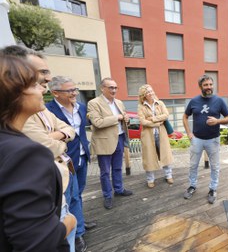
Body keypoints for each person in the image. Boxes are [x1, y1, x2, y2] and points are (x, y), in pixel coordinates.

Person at [0, 45, 82, 252]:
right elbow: (38, 243)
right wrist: (68, 224)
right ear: (14, 90)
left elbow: (68, 129)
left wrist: (56, 137)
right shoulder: (25, 154)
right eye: (33, 82)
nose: (43, 87)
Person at [47, 77, 97, 234]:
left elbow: (81, 132)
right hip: (65, 160)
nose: (74, 93)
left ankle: (78, 219)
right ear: (55, 93)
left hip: (82, 156)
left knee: (79, 192)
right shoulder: (48, 111)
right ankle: (77, 232)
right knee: (69, 197)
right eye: (69, 90)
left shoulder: (81, 107)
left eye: (75, 89)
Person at [182, 74, 228, 204]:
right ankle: (192, 186)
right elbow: (185, 117)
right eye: (206, 85)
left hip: (213, 140)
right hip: (196, 139)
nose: (209, 87)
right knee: (193, 165)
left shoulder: (219, 101)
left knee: (215, 166)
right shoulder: (194, 101)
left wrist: (218, 121)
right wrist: (189, 133)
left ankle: (213, 189)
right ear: (200, 87)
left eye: (210, 84)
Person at [87, 77, 133, 210]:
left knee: (118, 168)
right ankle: (107, 195)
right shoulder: (94, 103)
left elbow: (123, 120)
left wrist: (126, 119)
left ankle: (119, 189)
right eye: (110, 87)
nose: (114, 90)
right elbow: (97, 122)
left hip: (119, 138)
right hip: (104, 141)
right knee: (105, 172)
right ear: (102, 88)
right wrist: (117, 117)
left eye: (115, 87)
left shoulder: (119, 102)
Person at [137, 84, 174, 188]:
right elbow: (142, 121)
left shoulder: (160, 103)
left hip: (161, 134)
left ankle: (168, 175)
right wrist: (157, 122)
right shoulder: (141, 106)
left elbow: (166, 115)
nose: (151, 93)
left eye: (151, 91)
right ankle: (150, 179)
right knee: (149, 157)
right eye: (148, 92)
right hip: (148, 135)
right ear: (144, 95)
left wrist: (152, 119)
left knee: (165, 155)